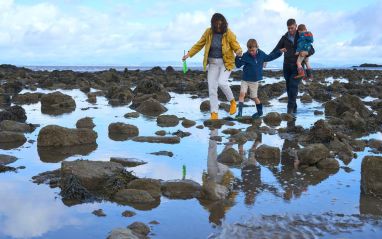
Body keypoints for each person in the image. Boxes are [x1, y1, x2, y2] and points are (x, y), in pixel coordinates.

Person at [182, 13, 242, 120]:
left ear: (223, 23)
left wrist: (238, 51)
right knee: (212, 88)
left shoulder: (228, 33)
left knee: (222, 82)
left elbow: (236, 46)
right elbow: (199, 44)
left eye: (220, 24)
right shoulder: (208, 32)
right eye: (216, 24)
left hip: (226, 63)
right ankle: (214, 113)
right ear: (213, 24)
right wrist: (188, 54)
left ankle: (232, 101)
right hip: (213, 64)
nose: (218, 26)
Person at [273, 18, 314, 115]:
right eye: (288, 28)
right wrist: (265, 59)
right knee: (288, 88)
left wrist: (306, 52)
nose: (290, 30)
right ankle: (294, 110)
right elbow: (275, 50)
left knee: (293, 86)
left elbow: (312, 50)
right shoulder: (284, 38)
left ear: (296, 26)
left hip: (297, 67)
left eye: (292, 28)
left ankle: (289, 110)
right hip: (286, 66)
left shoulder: (301, 36)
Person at [235, 39, 284, 119]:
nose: (251, 52)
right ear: (247, 49)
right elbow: (238, 65)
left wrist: (279, 52)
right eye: (249, 50)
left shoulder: (261, 54)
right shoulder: (246, 55)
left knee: (254, 97)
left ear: (257, 47)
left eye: (253, 50)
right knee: (241, 94)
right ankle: (240, 113)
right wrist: (237, 57)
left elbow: (269, 57)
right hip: (245, 79)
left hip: (254, 81)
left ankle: (260, 112)